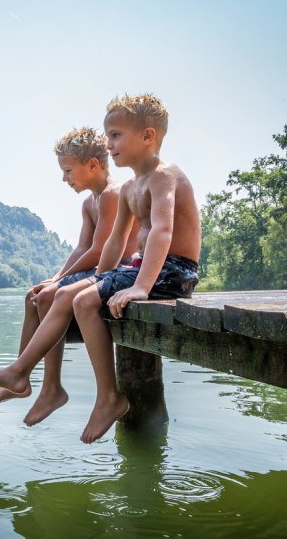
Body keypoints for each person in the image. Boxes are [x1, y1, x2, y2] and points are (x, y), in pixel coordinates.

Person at [0, 126, 138, 426]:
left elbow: (100, 251)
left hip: (115, 272)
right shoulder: (90, 203)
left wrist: (59, 283)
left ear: (92, 165)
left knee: (51, 294)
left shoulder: (114, 195)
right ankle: (24, 381)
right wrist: (56, 277)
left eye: (68, 171)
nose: (65, 179)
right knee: (35, 295)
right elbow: (81, 249)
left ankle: (46, 387)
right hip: (95, 270)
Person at [72, 93, 202, 443]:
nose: (108, 144)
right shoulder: (130, 186)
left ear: (147, 136)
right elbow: (115, 242)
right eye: (107, 135)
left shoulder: (164, 176)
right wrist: (102, 277)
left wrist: (141, 287)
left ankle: (108, 398)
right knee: (84, 296)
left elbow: (163, 230)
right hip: (146, 267)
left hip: (173, 270)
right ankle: (108, 397)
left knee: (83, 303)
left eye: (115, 135)